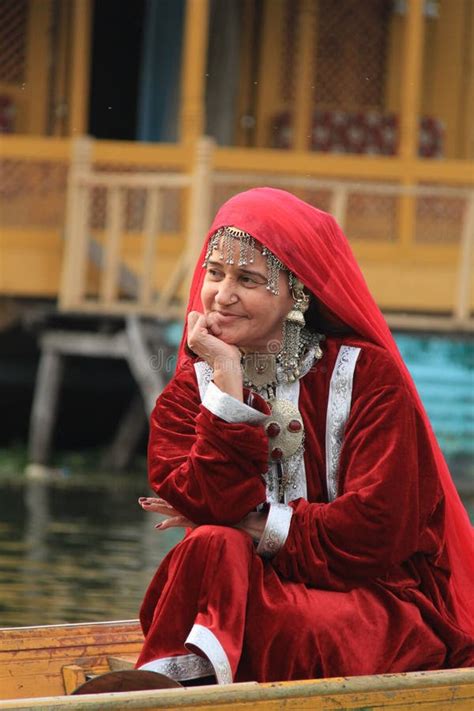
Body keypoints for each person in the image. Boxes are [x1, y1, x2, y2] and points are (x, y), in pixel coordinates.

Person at [135, 188, 473, 686]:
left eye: (247, 279)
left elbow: (374, 531)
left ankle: (189, 681)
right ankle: (184, 682)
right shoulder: (200, 379)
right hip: (246, 588)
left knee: (287, 623)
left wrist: (251, 519)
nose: (222, 296)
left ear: (297, 293)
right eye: (215, 273)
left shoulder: (366, 376)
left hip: (369, 594)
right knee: (209, 545)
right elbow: (196, 496)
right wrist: (229, 383)